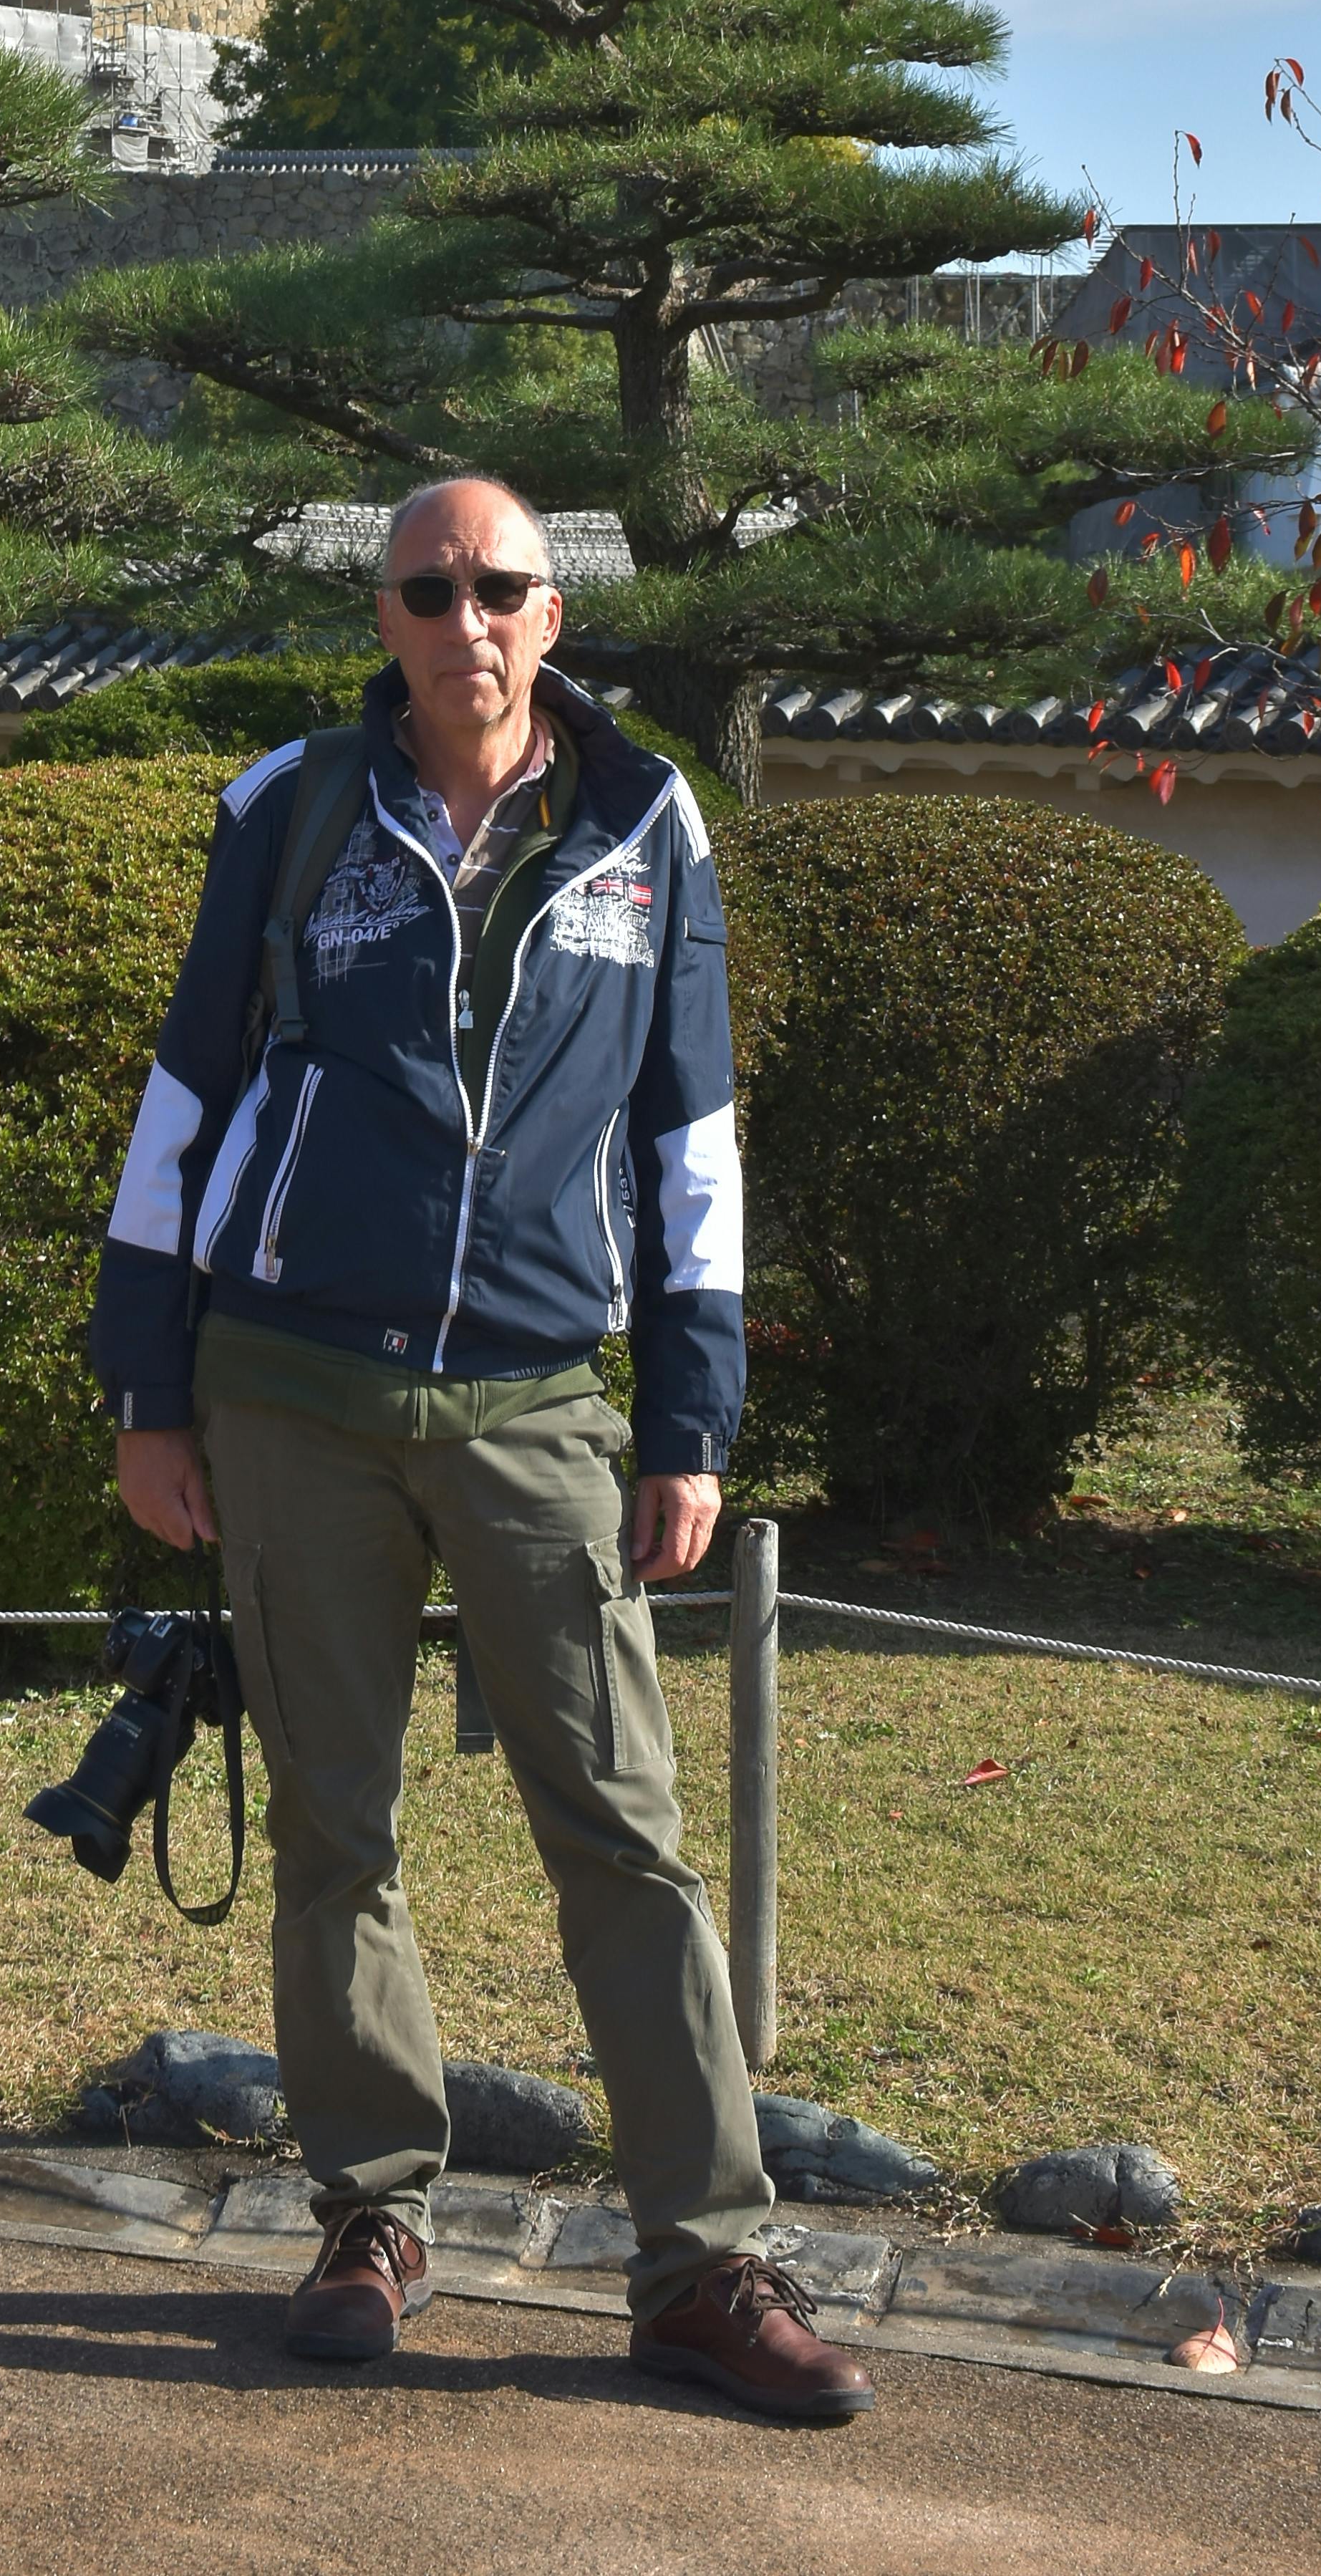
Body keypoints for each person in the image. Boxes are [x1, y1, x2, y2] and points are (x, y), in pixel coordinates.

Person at [89, 475, 874, 2425]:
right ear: (386, 616)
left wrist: (691, 1416)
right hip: (292, 1398)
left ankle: (700, 2259)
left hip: (540, 1403)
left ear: (554, 612)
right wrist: (148, 1386)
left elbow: (692, 1142)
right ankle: (371, 2211)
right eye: (429, 591)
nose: (467, 620)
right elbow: (186, 1093)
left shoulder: (647, 822)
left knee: (625, 1836)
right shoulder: (286, 812)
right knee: (335, 1828)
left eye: (499, 587)